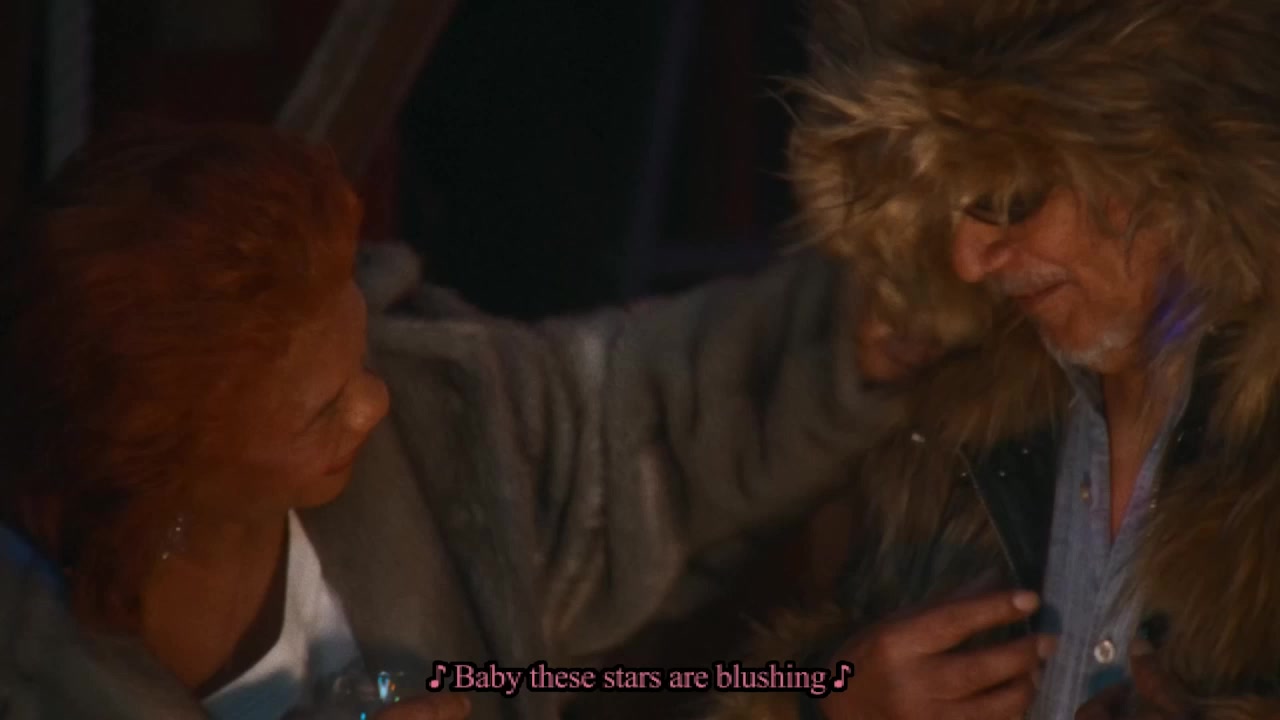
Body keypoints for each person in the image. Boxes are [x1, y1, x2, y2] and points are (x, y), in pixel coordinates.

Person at [0, 122, 898, 720]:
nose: (374, 404)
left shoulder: (433, 427)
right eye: (324, 412)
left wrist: (859, 331)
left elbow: (637, 423)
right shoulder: (35, 672)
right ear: (169, 466)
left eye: (359, 355)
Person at [711, 0, 1280, 719]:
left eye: (1011, 200)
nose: (969, 260)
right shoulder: (952, 417)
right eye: (944, 209)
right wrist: (823, 703)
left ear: (1175, 157)